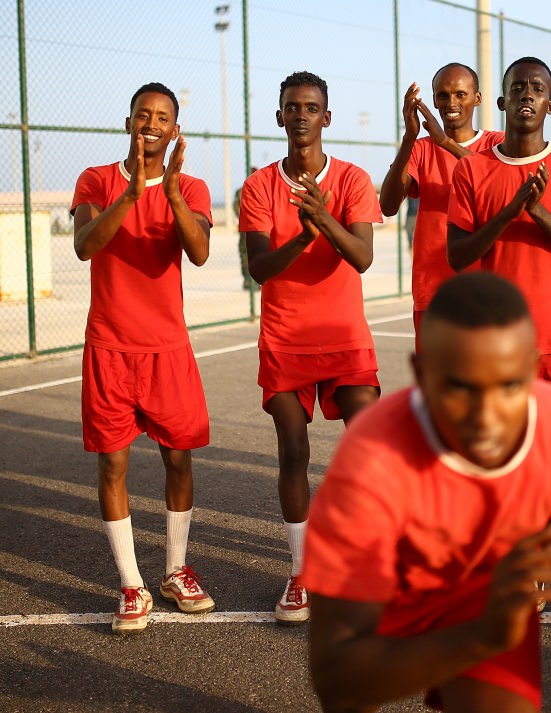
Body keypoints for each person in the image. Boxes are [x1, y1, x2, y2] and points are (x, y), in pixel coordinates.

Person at [302, 272, 551, 712]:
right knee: (352, 693)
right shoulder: (371, 462)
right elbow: (334, 675)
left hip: (480, 586)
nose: (486, 418)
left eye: (509, 386)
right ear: (422, 374)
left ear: (531, 368)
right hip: (385, 585)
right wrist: (482, 635)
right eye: (460, 388)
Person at [447, 57, 551, 575]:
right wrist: (506, 212)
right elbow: (457, 255)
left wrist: (538, 211)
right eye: (517, 86)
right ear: (499, 102)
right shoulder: (473, 168)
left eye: (537, 88)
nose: (527, 94)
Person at [238, 71, 382, 625]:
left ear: (327, 116)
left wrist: (322, 217)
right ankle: (300, 574)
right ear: (279, 117)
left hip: (345, 338)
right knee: (293, 450)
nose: (301, 115)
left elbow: (362, 257)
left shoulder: (352, 179)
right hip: (286, 338)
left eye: (312, 107)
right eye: (292, 107)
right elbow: (259, 268)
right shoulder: (258, 186)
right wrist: (299, 236)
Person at [71, 82, 215, 634]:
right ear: (128, 120)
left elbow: (199, 253)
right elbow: (86, 244)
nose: (150, 123)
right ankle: (132, 585)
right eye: (142, 114)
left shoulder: (195, 187)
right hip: (109, 346)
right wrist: (130, 194)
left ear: (174, 129)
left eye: (162, 117)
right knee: (113, 463)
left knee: (178, 458)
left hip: (166, 348)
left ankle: (175, 571)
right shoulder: (97, 179)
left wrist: (171, 193)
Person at [379, 63, 504, 335]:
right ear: (434, 100)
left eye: (460, 94)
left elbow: (500, 181)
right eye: (443, 95)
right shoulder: (421, 148)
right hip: (434, 292)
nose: (451, 102)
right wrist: (410, 137)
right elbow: (387, 206)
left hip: (488, 290)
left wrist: (444, 142)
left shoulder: (497, 144)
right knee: (436, 378)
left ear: (477, 98)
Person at [233, 166, 259, 290]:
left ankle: (251, 281)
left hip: (252, 227)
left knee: (248, 254)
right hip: (250, 227)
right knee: (246, 255)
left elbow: (236, 207)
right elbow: (236, 207)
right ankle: (249, 281)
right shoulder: (249, 190)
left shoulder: (253, 189)